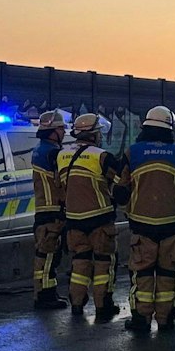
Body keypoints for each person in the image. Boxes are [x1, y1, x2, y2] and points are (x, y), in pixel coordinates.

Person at [116, 106, 175, 334]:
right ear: (169, 129)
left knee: (142, 273)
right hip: (171, 224)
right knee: (167, 274)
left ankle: (141, 320)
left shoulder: (132, 153)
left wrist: (131, 207)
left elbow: (120, 190)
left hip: (141, 224)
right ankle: (165, 320)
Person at [59, 113, 120, 319]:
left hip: (73, 219)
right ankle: (103, 305)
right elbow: (121, 181)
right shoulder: (102, 156)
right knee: (104, 262)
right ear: (93, 134)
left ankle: (76, 304)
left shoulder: (61, 155)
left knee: (80, 262)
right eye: (99, 133)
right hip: (100, 218)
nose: (100, 136)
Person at [29, 109, 69, 308]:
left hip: (42, 210)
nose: (64, 132)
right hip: (52, 211)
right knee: (49, 256)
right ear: (52, 131)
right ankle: (45, 296)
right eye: (61, 129)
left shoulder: (39, 149)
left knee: (45, 256)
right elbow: (62, 181)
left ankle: (46, 292)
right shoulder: (53, 153)